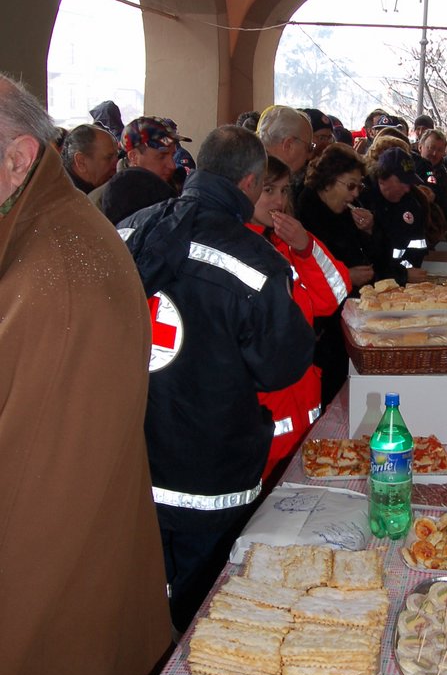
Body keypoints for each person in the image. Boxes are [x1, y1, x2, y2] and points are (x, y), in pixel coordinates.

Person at [0, 75, 171, 675]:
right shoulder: (46, 240)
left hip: (42, 646)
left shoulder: (51, 273)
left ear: (16, 160)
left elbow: (26, 512)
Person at [119, 125, 316, 632]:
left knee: (139, 598)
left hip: (128, 461)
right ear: (250, 183)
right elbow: (282, 366)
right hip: (211, 476)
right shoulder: (254, 260)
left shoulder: (125, 230)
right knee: (205, 614)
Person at [248, 154, 350, 475]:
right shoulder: (238, 248)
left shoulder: (284, 242)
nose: (279, 200)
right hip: (264, 414)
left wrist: (305, 248)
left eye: (283, 190)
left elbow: (332, 296)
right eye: (269, 190)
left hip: (299, 404)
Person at [296, 144, 389, 405]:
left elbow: (378, 254)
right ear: (327, 182)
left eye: (359, 186)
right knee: (328, 393)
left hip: (351, 313)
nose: (356, 193)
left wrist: (370, 230)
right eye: (350, 186)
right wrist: (347, 276)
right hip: (324, 327)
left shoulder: (348, 211)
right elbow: (308, 271)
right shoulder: (307, 211)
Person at [361, 146, 430, 279]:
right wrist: (401, 275)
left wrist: (404, 274)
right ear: (382, 177)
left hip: (402, 283)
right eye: (401, 182)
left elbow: (417, 249)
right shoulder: (362, 200)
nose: (407, 189)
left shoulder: (412, 205)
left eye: (409, 183)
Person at [413, 128, 447, 251]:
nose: (434, 154)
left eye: (440, 150)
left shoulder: (445, 178)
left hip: (430, 237)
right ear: (420, 147)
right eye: (431, 148)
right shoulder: (407, 167)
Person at [61, 122, 119, 192]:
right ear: (81, 162)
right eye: (108, 158)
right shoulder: (64, 197)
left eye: (117, 156)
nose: (117, 164)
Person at [257, 105, 313, 173]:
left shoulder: (254, 167)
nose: (309, 156)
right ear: (289, 145)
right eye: (309, 148)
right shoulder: (262, 178)